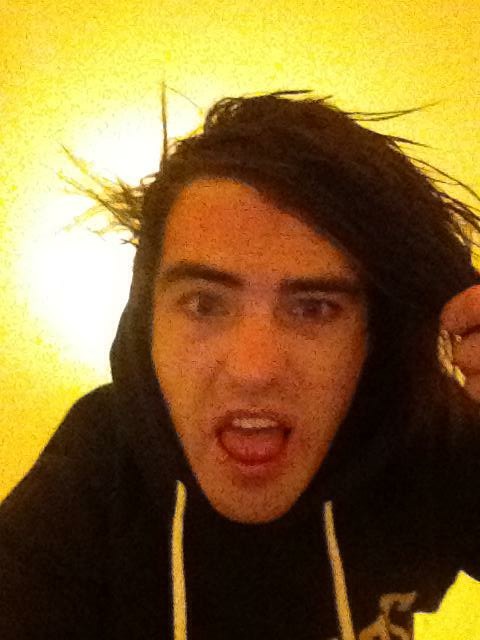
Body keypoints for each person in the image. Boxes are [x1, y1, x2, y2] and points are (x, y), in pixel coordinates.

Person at [1, 89, 480, 640]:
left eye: (315, 308)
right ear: (146, 321)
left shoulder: (420, 436)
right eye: (204, 304)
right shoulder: (98, 470)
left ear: (372, 338)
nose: (254, 371)